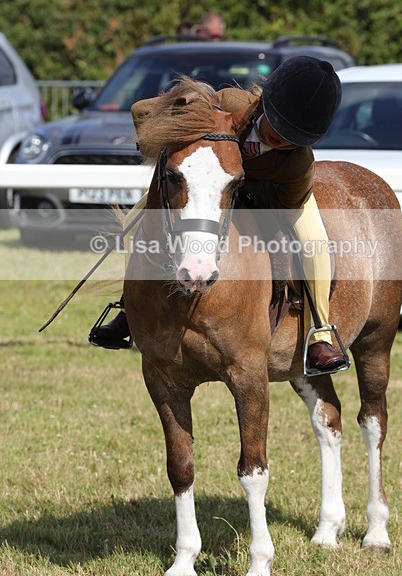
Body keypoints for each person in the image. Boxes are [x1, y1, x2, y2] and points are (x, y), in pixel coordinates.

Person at [90, 56, 347, 373]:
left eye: (293, 137)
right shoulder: (227, 104)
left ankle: (319, 333)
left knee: (314, 245)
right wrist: (178, 106)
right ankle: (131, 307)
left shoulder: (298, 164)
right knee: (136, 221)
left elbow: (283, 208)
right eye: (276, 125)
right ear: (264, 105)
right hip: (207, 192)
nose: (280, 139)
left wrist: (237, 196)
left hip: (276, 201)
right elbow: (141, 111)